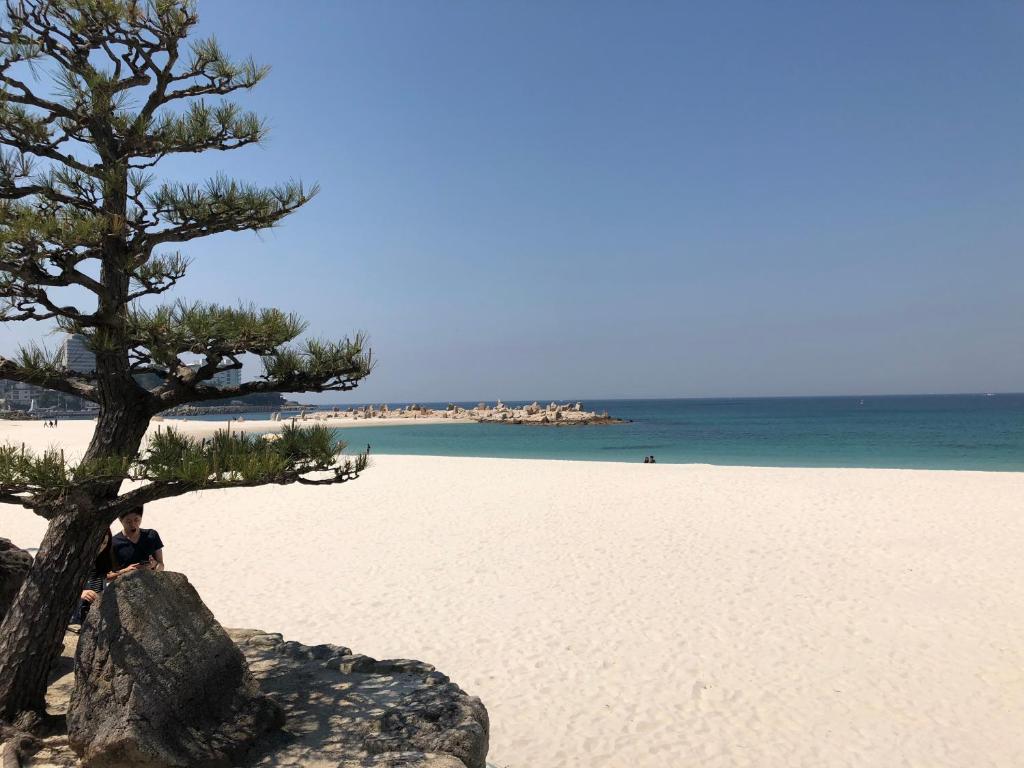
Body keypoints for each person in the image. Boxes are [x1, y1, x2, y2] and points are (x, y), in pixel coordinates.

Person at [111, 506, 165, 575]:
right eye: (128, 522)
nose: (133, 524)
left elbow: (161, 565)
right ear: (120, 521)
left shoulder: (152, 535)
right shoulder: (114, 542)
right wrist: (126, 570)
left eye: (136, 520)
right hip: (127, 584)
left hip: (152, 583)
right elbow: (109, 575)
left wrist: (154, 565)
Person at [76, 530, 115, 624]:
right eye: (98, 542)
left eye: (104, 543)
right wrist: (80, 594)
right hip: (75, 620)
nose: (100, 547)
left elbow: (101, 585)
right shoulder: (75, 561)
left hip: (96, 616)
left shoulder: (102, 560)